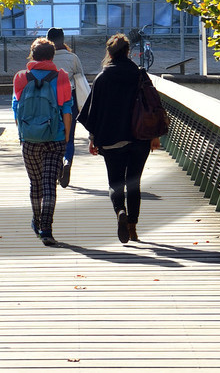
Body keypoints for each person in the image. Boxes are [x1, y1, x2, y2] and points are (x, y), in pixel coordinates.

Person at [78, 33, 152, 244]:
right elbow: (151, 105)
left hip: (111, 139)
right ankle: (133, 227)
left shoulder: (102, 78)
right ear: (128, 52)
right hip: (139, 137)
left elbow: (93, 113)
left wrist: (93, 138)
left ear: (109, 53)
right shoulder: (140, 75)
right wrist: (154, 136)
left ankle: (120, 211)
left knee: (116, 183)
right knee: (134, 182)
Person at [12, 37, 74, 247]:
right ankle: (46, 229)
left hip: (29, 139)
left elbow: (16, 109)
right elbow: (67, 109)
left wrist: (22, 134)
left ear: (32, 55)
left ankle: (36, 221)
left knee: (35, 184)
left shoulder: (20, 77)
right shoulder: (62, 76)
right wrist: (65, 137)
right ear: (52, 56)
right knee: (49, 185)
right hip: (54, 137)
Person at [47, 28, 91, 188]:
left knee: (53, 137)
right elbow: (81, 81)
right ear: (63, 39)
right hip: (69, 101)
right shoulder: (73, 58)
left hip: (49, 102)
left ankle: (58, 166)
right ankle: (67, 161)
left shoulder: (45, 58)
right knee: (69, 137)